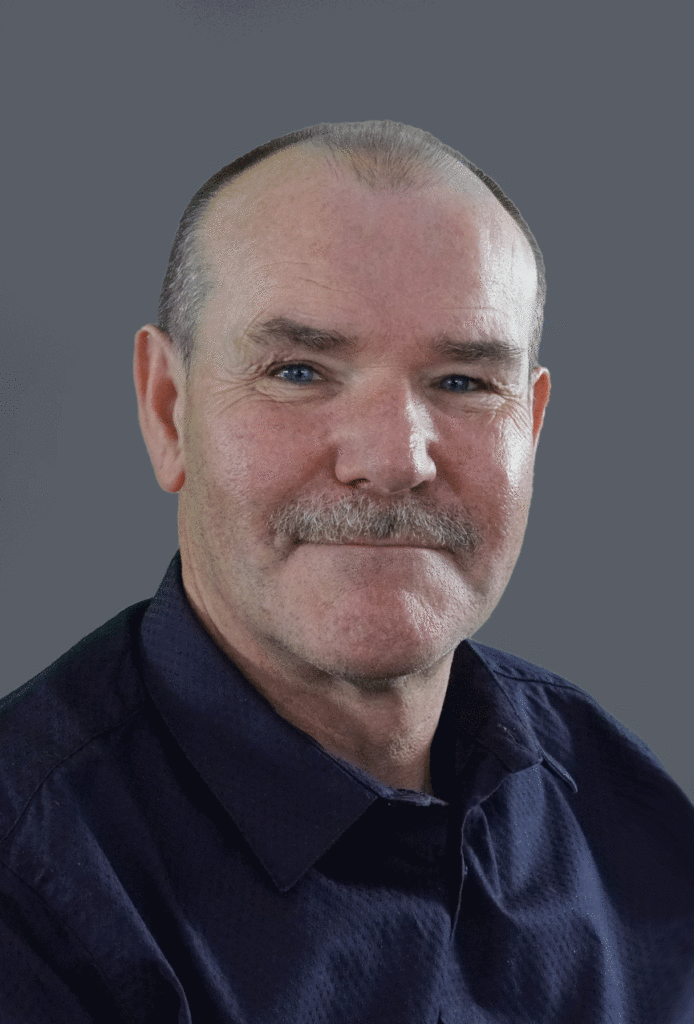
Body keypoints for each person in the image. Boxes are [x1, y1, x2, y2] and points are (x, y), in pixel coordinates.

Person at [0, 120, 692, 1024]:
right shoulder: (31, 885)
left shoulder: (626, 813)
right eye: (298, 371)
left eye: (462, 381)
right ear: (168, 411)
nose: (394, 459)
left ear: (530, 428)